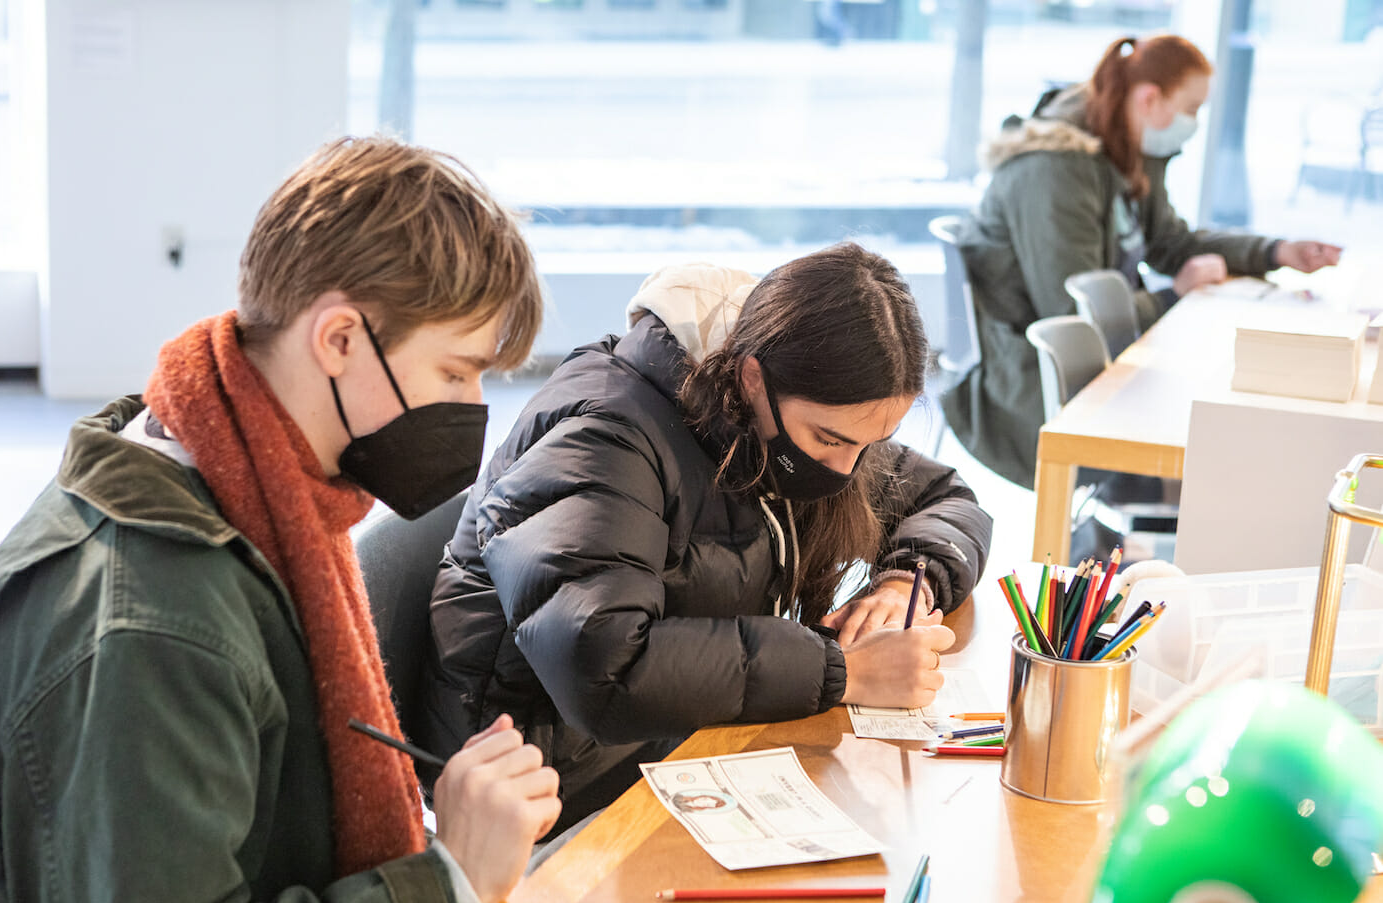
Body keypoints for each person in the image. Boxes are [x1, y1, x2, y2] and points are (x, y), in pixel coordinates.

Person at [0, 136, 562, 903]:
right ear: (342, 339)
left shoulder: (214, 472)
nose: (472, 409)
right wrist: (450, 879)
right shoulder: (159, 629)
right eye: (456, 372)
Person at [425, 244, 993, 835]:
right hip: (545, 775)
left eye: (869, 445)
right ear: (753, 379)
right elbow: (603, 665)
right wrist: (845, 671)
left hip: (684, 734)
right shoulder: (607, 435)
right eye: (829, 440)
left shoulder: (788, 409)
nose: (847, 470)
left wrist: (904, 582)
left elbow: (945, 497)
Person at [942, 33, 1344, 490]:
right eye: (1192, 108)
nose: (1194, 123)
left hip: (1096, 360)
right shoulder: (1053, 171)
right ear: (1151, 98)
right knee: (1223, 424)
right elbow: (1075, 315)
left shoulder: (1124, 150)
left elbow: (1169, 242)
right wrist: (1172, 294)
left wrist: (1275, 252)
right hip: (1034, 384)